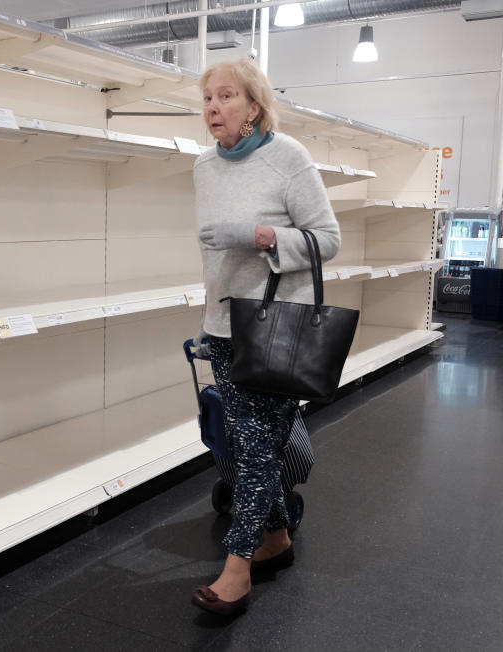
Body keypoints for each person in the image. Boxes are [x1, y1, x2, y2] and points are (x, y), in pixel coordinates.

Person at [190, 59, 340, 616]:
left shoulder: (288, 159)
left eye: (226, 96)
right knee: (254, 444)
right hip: (226, 328)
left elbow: (327, 239)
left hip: (279, 329)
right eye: (207, 98)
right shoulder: (204, 166)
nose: (213, 107)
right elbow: (212, 259)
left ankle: (237, 570)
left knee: (254, 450)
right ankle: (275, 539)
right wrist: (208, 322)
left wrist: (261, 236)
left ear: (254, 106)